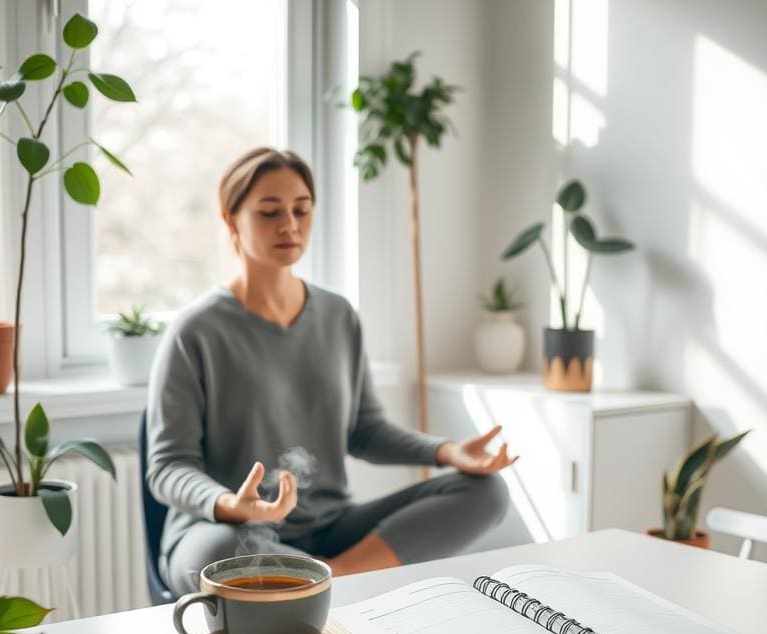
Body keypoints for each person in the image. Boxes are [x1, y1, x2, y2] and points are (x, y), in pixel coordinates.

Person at [146, 147, 515, 595]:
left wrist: (446, 452)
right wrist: (227, 503)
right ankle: (322, 584)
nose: (290, 225)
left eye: (301, 209)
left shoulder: (338, 316)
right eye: (269, 212)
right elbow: (168, 467)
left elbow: (365, 430)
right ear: (230, 219)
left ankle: (332, 579)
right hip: (224, 531)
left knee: (486, 492)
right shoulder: (195, 331)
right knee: (216, 557)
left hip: (331, 529)